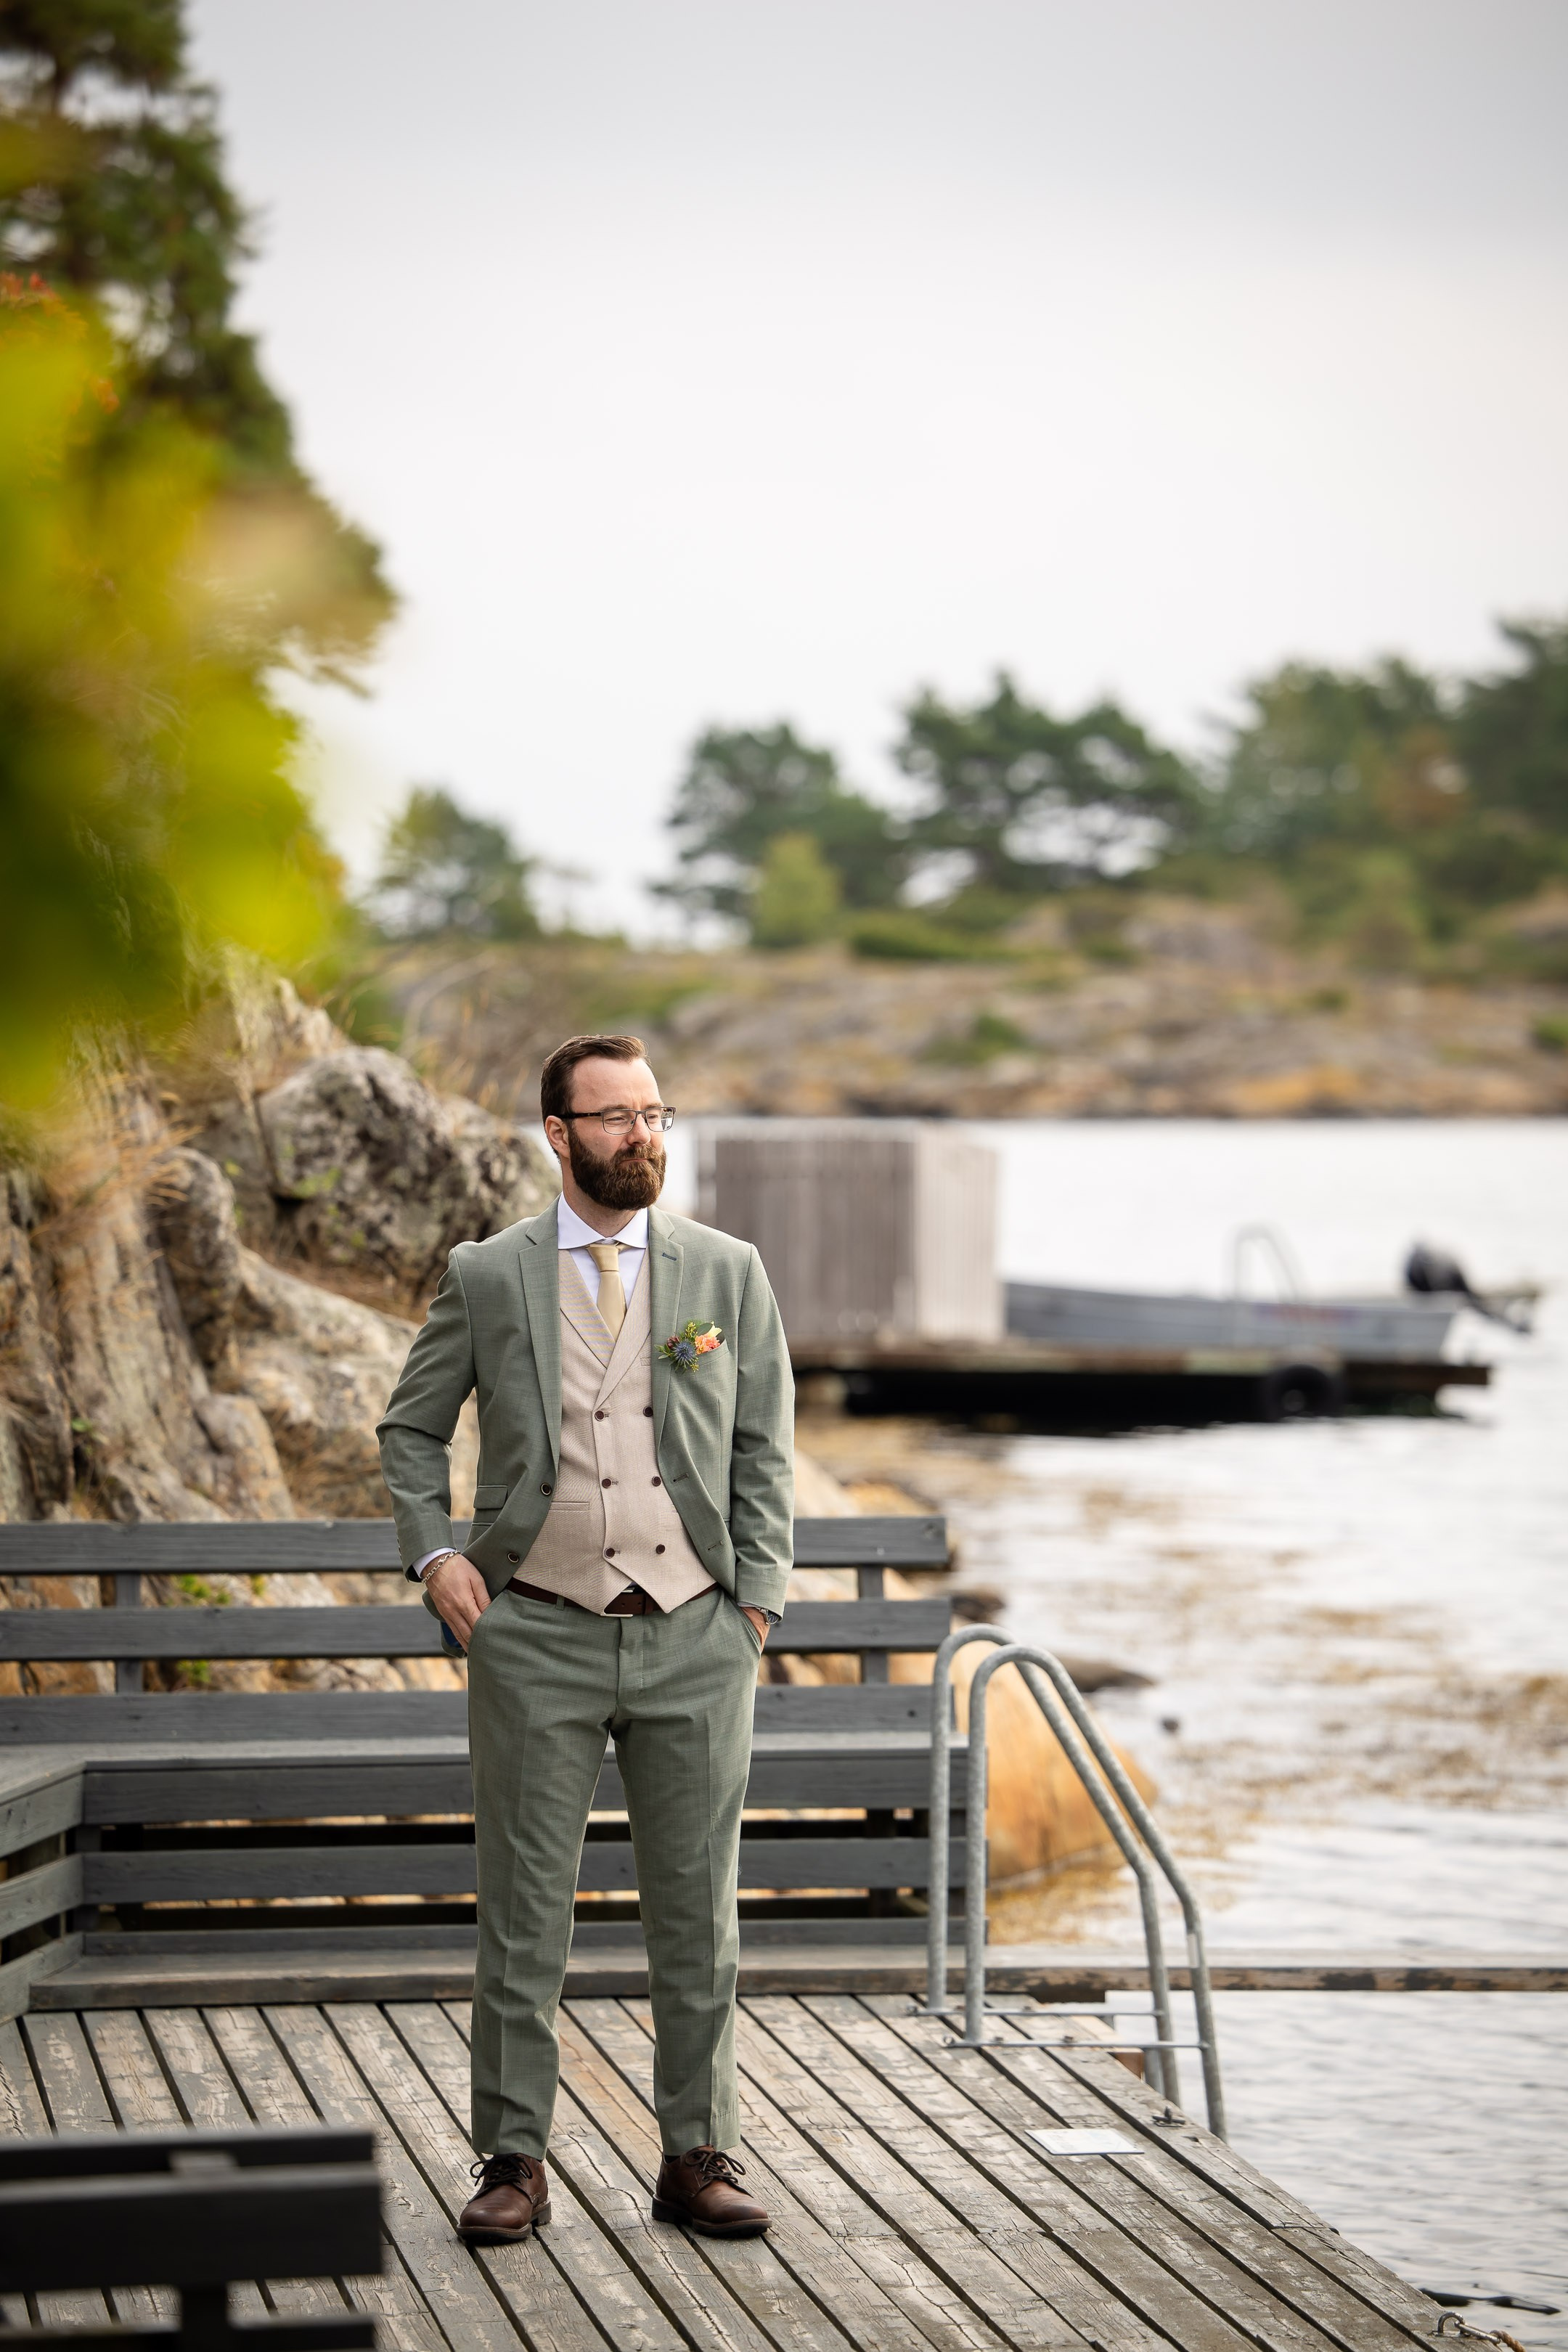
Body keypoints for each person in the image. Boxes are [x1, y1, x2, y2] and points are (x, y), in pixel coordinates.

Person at [377, 1033, 793, 2247]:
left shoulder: (727, 1270)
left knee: (698, 1909)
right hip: (537, 1632)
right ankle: (512, 2157)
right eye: (615, 1118)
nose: (643, 1136)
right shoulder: (489, 1274)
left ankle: (697, 2153)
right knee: (521, 1910)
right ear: (558, 1134)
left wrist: (754, 1600)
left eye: (655, 1114)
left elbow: (762, 1442)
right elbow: (412, 1433)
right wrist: (435, 1554)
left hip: (696, 1632)